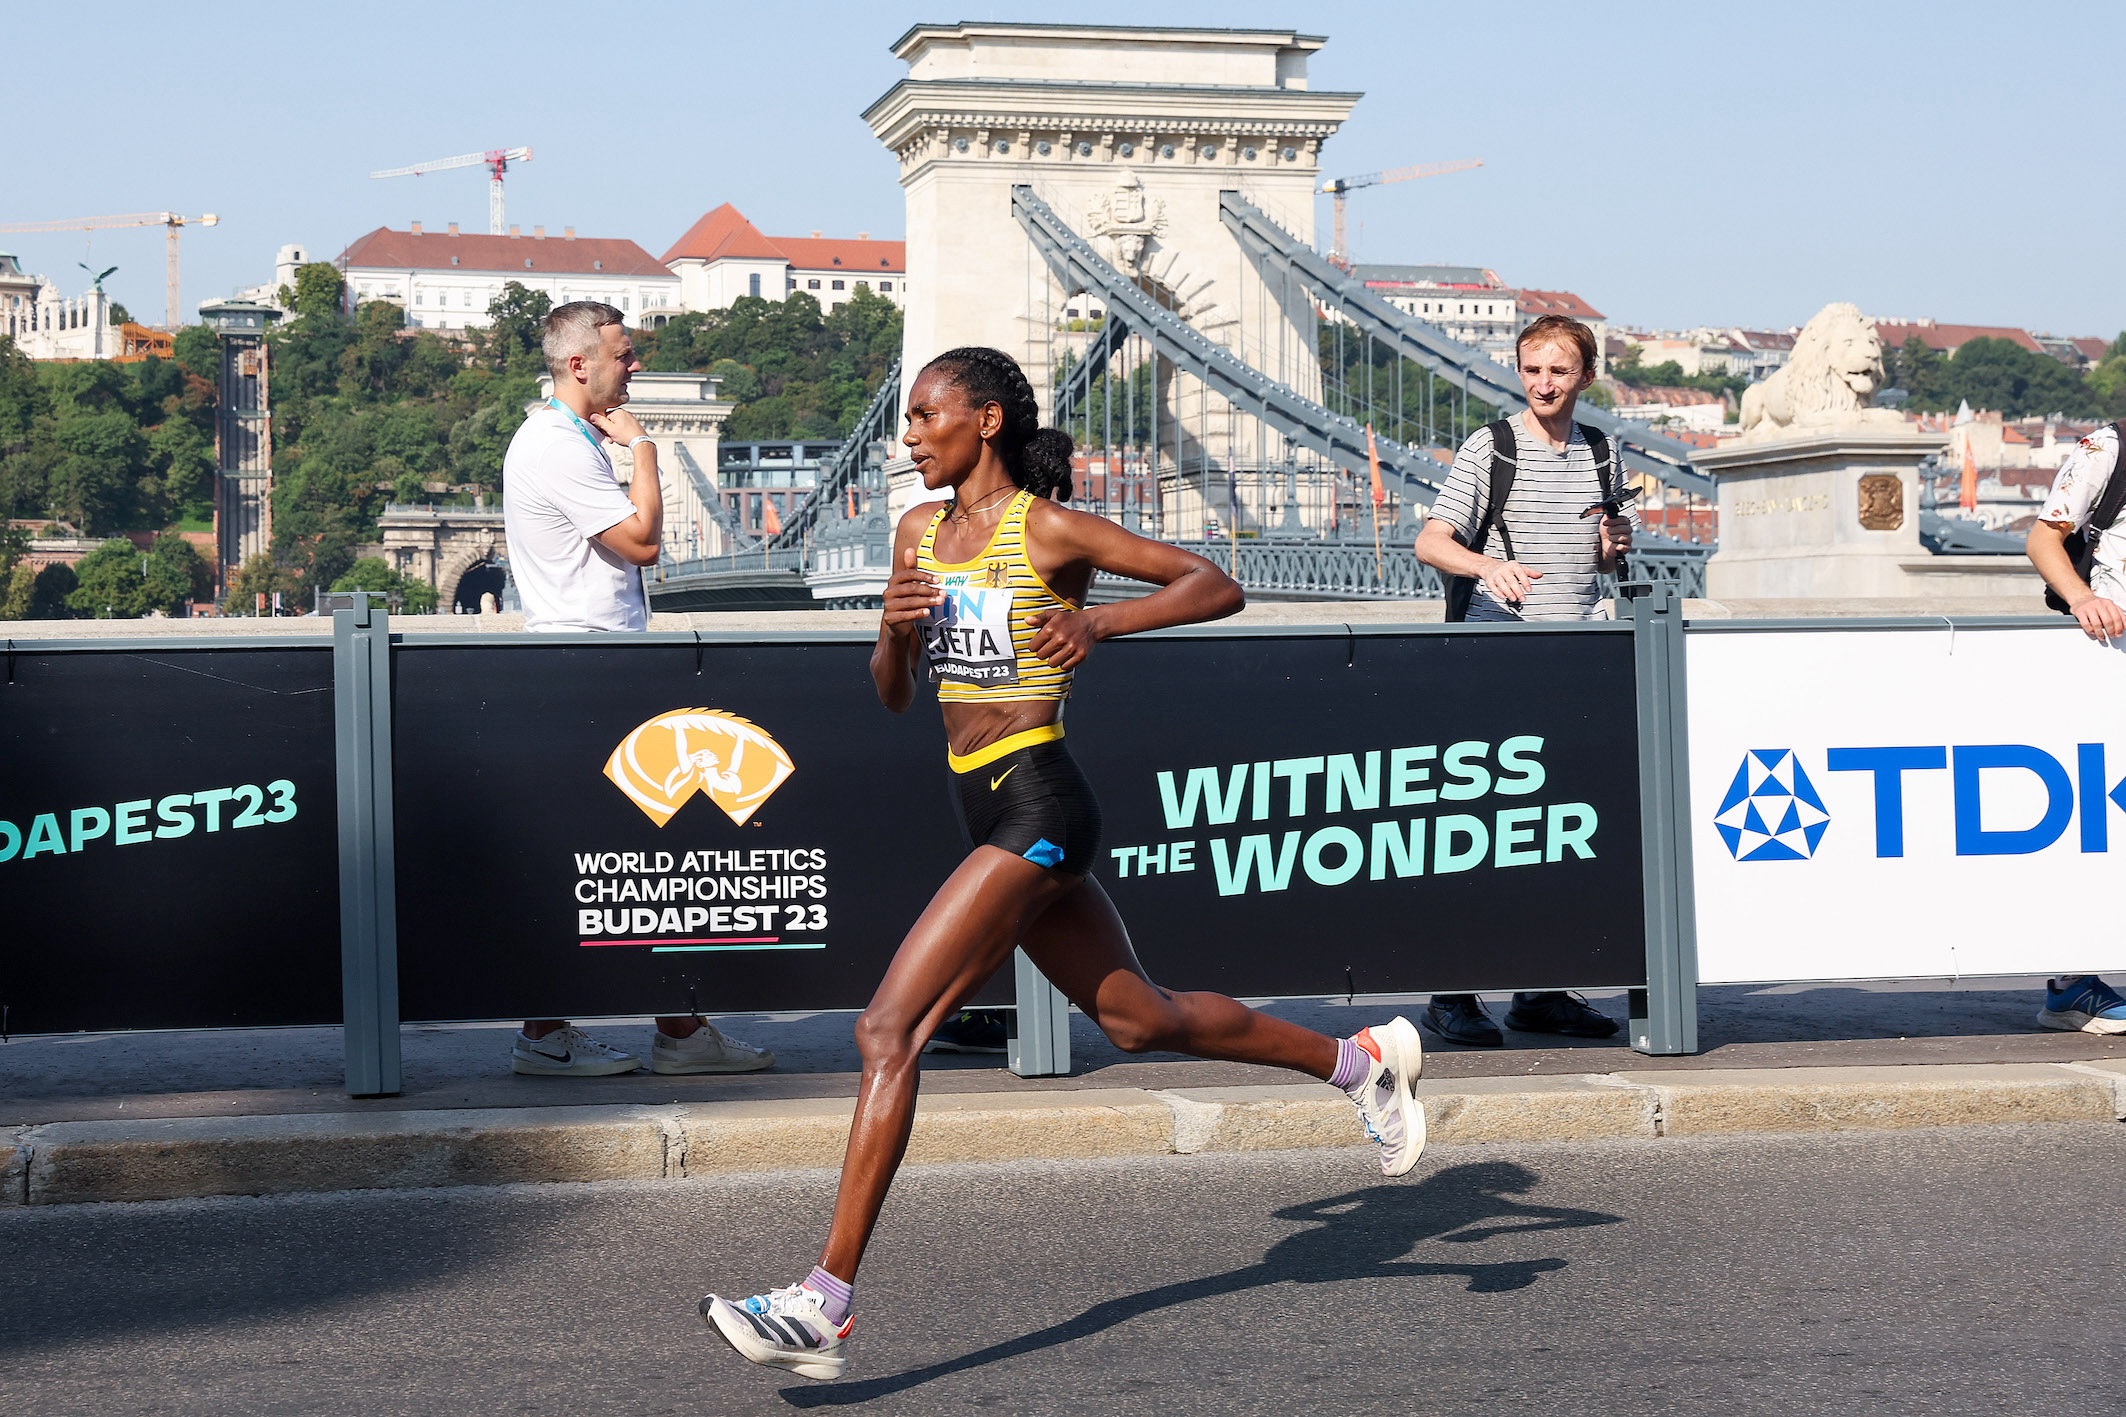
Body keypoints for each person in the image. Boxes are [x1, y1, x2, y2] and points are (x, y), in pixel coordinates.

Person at [698, 346, 1427, 1381]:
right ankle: (1359, 1063)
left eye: (925, 416)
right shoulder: (915, 533)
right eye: (903, 419)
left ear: (985, 420)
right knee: (1139, 1019)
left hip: (1039, 804)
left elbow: (1212, 583)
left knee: (886, 1029)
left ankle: (823, 1302)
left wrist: (1100, 620)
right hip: (976, 801)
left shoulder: (1042, 526)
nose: (907, 435)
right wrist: (893, 637)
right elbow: (895, 695)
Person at [499, 299, 772, 1078]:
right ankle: (568, 1032)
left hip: (593, 663)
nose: (637, 364)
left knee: (627, 853)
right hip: (588, 665)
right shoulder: (556, 445)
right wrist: (647, 448)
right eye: (624, 354)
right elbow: (645, 543)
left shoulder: (568, 439)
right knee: (624, 851)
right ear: (580, 363)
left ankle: (662, 1029)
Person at [1411, 313, 1636, 1050]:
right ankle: (1451, 991)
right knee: (1483, 831)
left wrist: (1611, 548)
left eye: (1558, 371)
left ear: (1585, 378)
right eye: (1532, 369)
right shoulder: (1493, 446)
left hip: (1570, 660)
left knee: (1556, 834)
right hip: (1492, 661)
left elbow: (1599, 565)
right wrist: (1488, 567)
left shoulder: (1604, 452)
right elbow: (1432, 540)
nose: (1543, 383)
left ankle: (1540, 990)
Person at [2024, 421, 2126, 1033]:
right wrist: (2082, 597)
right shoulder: (2109, 448)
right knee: (2099, 818)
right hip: (2112, 656)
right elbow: (2043, 539)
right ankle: (2070, 983)